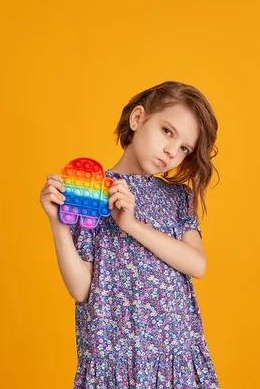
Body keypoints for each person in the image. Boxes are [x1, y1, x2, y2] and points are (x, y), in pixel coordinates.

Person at [40, 81, 220, 388]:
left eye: (184, 148)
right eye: (167, 131)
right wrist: (58, 223)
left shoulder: (177, 198)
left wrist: (132, 225)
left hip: (174, 357)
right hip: (114, 357)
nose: (170, 152)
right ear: (138, 119)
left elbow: (197, 264)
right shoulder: (91, 190)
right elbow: (82, 289)